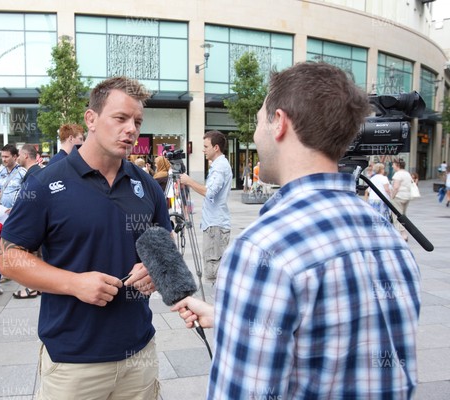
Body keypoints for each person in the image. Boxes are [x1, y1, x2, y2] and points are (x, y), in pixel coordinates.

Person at [171, 62, 420, 399]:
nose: (256, 134)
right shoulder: (388, 235)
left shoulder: (263, 250)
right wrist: (235, 317)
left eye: (259, 121)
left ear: (279, 122)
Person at [0, 76, 170, 399]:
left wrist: (156, 267)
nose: (131, 129)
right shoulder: (45, 184)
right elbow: (8, 257)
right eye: (120, 118)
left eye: (137, 121)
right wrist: (74, 283)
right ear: (90, 119)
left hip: (139, 353)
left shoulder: (146, 185)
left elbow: (165, 245)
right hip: (74, 362)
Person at [179, 130, 233, 284]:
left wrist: (188, 181)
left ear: (216, 147)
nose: (203, 150)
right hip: (215, 223)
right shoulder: (219, 165)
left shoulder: (220, 166)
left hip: (215, 226)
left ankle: (217, 305)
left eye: (205, 146)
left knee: (213, 270)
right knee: (215, 267)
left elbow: (209, 193)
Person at [11, 144, 43, 299]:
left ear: (25, 155)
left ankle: (32, 288)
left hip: (33, 224)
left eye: (18, 154)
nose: (17, 157)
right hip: (38, 222)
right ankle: (39, 286)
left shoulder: (33, 175)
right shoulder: (37, 172)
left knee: (31, 257)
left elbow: (31, 201)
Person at [0, 144, 26, 223]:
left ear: (14, 157)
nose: (3, 159)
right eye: (2, 156)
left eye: (6, 157)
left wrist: (16, 208)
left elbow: (26, 194)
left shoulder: (23, 172)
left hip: (17, 212)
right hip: (2, 212)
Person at [390, 158, 412, 241]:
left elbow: (395, 187)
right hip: (407, 196)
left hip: (398, 197)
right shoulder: (407, 173)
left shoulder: (398, 174)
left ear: (397, 165)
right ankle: (403, 232)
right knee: (403, 215)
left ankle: (403, 234)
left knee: (397, 216)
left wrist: (392, 196)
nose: (392, 166)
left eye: (393, 164)